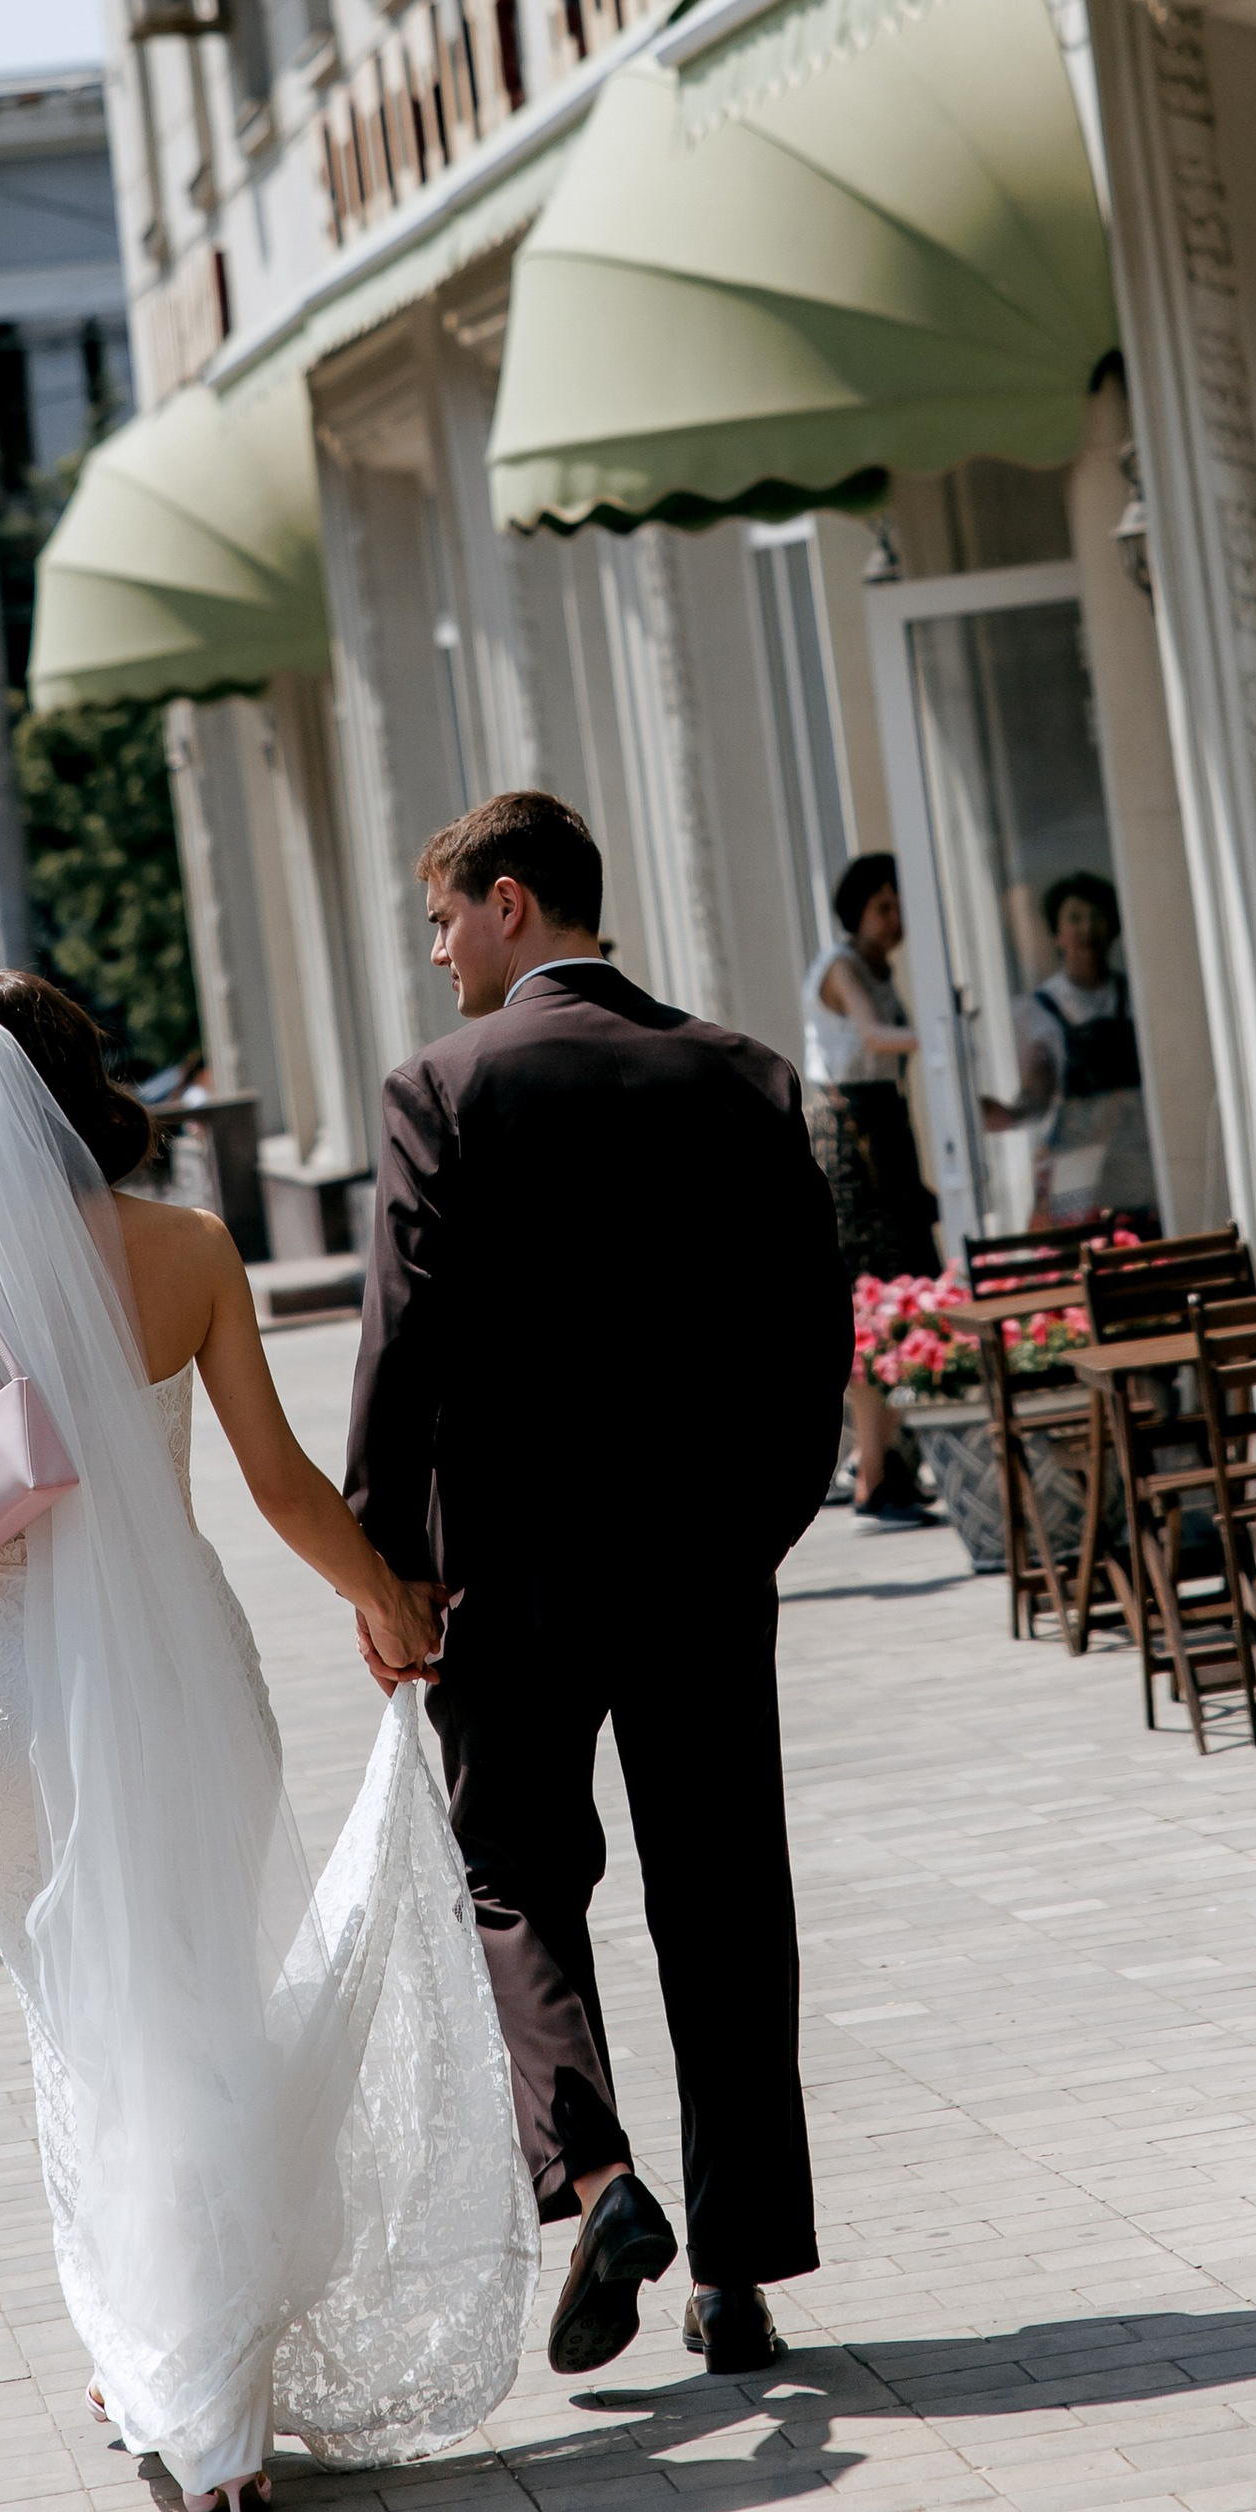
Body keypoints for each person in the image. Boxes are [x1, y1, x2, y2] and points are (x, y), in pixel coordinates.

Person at [0, 977, 535, 2512]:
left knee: (97, 2039)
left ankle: (173, 2377)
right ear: (79, 1086)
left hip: (17, 1710)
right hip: (191, 1681)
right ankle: (200, 2381)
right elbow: (280, 1479)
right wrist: (387, 1598)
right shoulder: (188, 1251)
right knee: (202, 2016)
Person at [346, 790, 850, 2385]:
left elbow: (400, 1352)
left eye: (441, 921)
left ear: (510, 903)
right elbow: (809, 1339)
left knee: (513, 1873)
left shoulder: (442, 1089)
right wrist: (755, 1526)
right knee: (724, 1903)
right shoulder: (744, 1075)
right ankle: (741, 2276)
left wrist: (387, 1567)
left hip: (512, 1573)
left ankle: (598, 2176)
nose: (435, 956)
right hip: (703, 1564)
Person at [801, 850, 942, 1527]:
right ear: (856, 907)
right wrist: (942, 1033)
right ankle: (873, 1471)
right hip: (848, 1131)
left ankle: (890, 1460)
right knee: (868, 1297)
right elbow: (869, 1034)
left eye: (899, 907)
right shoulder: (841, 965)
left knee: (902, 1291)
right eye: (883, 906)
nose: (894, 921)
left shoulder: (879, 966)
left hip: (883, 1126)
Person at [982, 869, 1156, 1227]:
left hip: (1137, 1155)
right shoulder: (1040, 1009)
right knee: (1078, 1247)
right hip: (1076, 1159)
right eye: (1075, 918)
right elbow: (1037, 1093)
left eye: (1097, 917)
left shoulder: (1137, 994)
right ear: (1057, 934)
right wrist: (1008, 1114)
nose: (1087, 929)